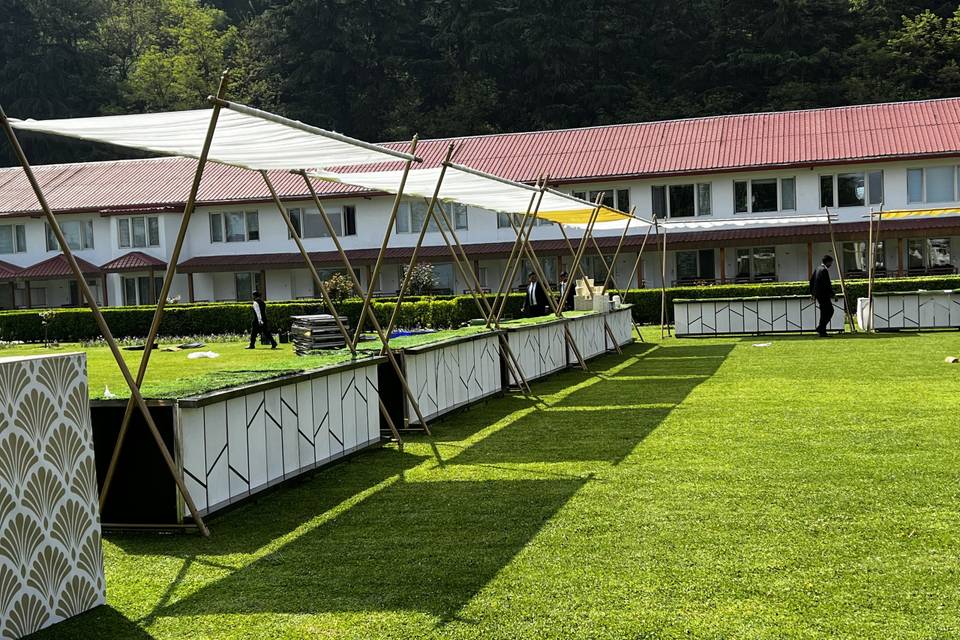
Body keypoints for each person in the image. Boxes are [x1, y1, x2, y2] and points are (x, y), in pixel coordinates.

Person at [809, 255, 836, 337]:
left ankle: (822, 331)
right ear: (827, 262)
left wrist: (813, 294)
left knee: (824, 313)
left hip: (818, 295)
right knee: (830, 311)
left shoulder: (817, 268)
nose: (831, 264)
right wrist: (833, 294)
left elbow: (812, 281)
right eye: (831, 262)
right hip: (824, 295)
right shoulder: (824, 270)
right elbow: (827, 284)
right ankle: (821, 328)